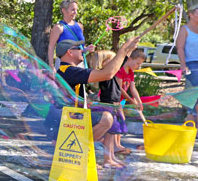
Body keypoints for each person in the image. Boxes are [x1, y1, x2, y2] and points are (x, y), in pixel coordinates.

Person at [46, 37, 140, 168]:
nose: (83, 51)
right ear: (70, 52)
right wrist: (123, 50)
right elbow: (107, 73)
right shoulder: (69, 71)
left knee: (107, 115)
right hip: (66, 120)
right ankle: (80, 153)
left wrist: (127, 51)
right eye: (79, 49)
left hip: (69, 117)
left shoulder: (68, 70)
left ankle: (78, 152)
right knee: (106, 118)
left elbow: (112, 70)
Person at [88, 50, 125, 168]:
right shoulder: (105, 74)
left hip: (113, 106)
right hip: (107, 106)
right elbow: (123, 59)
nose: (116, 63)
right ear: (103, 63)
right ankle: (104, 159)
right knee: (108, 134)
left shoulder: (112, 74)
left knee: (111, 134)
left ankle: (109, 158)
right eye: (112, 60)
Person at [47, 0, 96, 69]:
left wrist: (87, 49)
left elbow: (79, 48)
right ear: (64, 10)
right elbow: (51, 47)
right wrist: (51, 66)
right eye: (73, 10)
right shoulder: (58, 28)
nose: (75, 12)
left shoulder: (79, 26)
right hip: (64, 66)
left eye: (76, 10)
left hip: (80, 65)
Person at [115, 48, 147, 154]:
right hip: (113, 99)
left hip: (121, 101)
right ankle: (116, 145)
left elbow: (133, 88)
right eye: (137, 63)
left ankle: (118, 144)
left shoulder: (131, 73)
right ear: (129, 59)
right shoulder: (120, 70)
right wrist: (132, 101)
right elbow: (119, 89)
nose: (138, 66)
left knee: (120, 120)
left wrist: (139, 101)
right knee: (119, 119)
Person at [176, 3, 198, 118]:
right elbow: (180, 48)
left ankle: (192, 116)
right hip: (192, 64)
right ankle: (192, 115)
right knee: (195, 90)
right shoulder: (184, 29)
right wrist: (183, 65)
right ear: (191, 14)